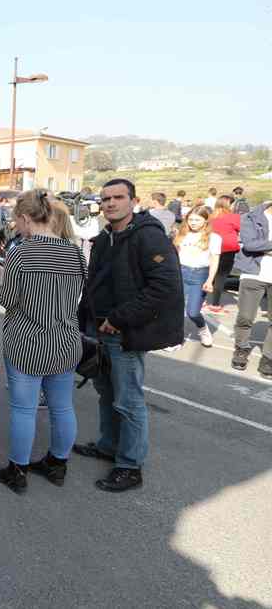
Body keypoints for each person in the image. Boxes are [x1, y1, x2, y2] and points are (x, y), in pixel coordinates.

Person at [73, 179, 183, 492]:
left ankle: (130, 466)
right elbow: (95, 285)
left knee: (128, 400)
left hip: (124, 334)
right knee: (106, 393)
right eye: (105, 198)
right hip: (99, 331)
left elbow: (164, 287)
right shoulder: (106, 237)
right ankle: (109, 446)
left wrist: (118, 319)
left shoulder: (148, 237)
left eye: (118, 197)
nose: (110, 203)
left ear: (132, 201)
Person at [0, 190, 85, 493]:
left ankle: (17, 470)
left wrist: (5, 277)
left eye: (17, 220)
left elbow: (8, 300)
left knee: (24, 409)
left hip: (27, 343)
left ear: (27, 218)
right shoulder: (76, 252)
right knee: (62, 407)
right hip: (66, 342)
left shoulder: (21, 252)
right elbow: (76, 296)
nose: (16, 226)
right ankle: (58, 464)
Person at [231, 200, 272, 376]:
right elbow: (250, 245)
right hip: (254, 273)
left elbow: (258, 245)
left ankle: (268, 358)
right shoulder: (251, 216)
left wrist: (265, 246)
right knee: (245, 317)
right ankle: (241, 349)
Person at [172, 206, 219, 348]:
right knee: (176, 309)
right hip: (180, 272)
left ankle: (203, 329)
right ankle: (175, 340)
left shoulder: (214, 238)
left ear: (206, 220)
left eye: (197, 220)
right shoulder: (181, 234)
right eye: (190, 219)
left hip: (200, 274)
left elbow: (214, 260)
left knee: (193, 312)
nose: (193, 222)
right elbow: (173, 253)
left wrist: (210, 280)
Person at [206, 195, 240, 313]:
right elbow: (241, 228)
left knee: (209, 274)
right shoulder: (233, 217)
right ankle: (215, 303)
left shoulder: (210, 217)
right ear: (228, 204)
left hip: (211, 249)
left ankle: (202, 300)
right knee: (221, 276)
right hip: (227, 249)